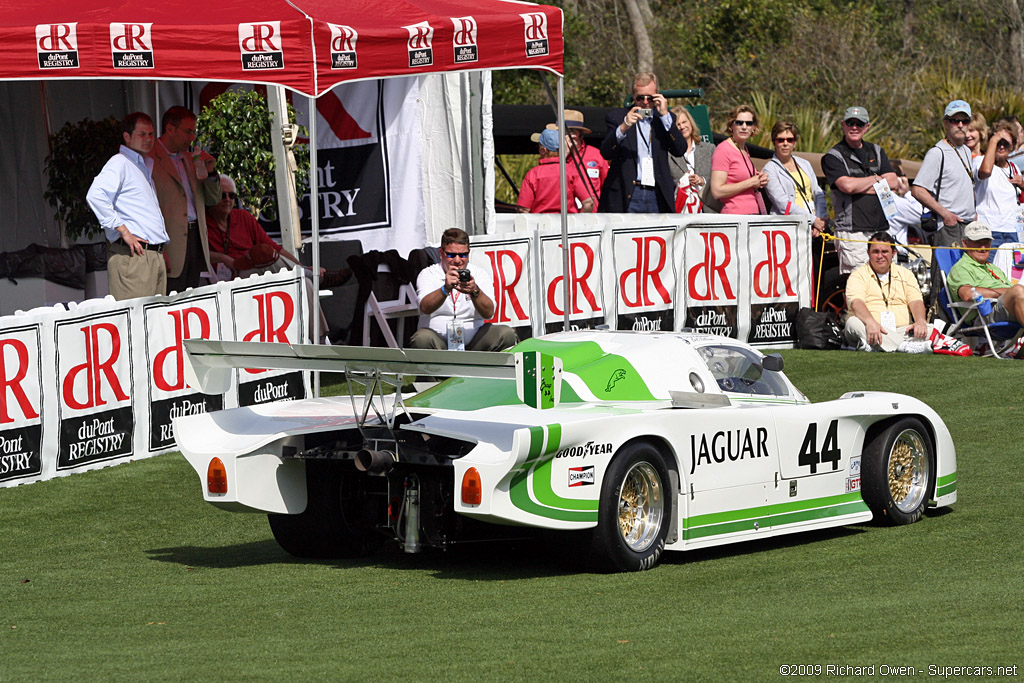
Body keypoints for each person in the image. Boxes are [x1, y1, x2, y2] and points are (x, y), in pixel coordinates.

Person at [85, 112, 169, 301]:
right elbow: (95, 195)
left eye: (151, 134)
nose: (148, 139)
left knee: (154, 323)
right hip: (133, 257)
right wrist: (124, 231)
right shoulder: (120, 162)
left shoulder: (141, 165)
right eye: (142, 134)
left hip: (151, 255)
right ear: (127, 136)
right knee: (138, 323)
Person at [844, 231, 970, 355]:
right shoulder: (857, 275)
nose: (880, 256)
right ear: (868, 253)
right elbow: (856, 303)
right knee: (853, 323)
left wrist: (920, 321)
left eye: (885, 252)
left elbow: (916, 301)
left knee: (929, 329)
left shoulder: (905, 274)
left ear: (893, 253)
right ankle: (904, 346)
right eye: (875, 252)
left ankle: (876, 346)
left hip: (900, 330)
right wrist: (871, 323)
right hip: (869, 328)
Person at [149, 106, 221, 293]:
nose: (192, 138)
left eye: (193, 132)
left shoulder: (191, 158)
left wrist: (211, 173)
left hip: (195, 236)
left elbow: (213, 200)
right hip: (169, 241)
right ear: (170, 129)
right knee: (171, 299)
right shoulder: (149, 159)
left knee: (191, 297)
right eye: (188, 131)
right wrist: (158, 248)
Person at [410, 228, 518, 351]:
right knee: (421, 338)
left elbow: (489, 313)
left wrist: (475, 292)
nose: (457, 260)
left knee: (506, 334)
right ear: (441, 253)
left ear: (468, 253)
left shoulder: (479, 274)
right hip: (439, 343)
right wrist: (445, 290)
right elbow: (424, 308)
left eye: (463, 255)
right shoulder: (428, 274)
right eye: (451, 255)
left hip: (474, 343)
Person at [822, 106, 899, 273]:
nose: (854, 127)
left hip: (881, 229)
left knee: (887, 281)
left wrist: (860, 186)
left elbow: (893, 182)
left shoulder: (877, 151)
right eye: (850, 123)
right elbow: (847, 186)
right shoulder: (833, 156)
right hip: (852, 233)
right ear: (843, 125)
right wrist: (876, 180)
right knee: (856, 286)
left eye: (859, 123)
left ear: (867, 126)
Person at [598, 72, 686, 213]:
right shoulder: (617, 117)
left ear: (657, 95)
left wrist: (665, 117)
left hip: (657, 192)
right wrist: (624, 127)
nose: (645, 102)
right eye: (640, 98)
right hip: (628, 192)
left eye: (650, 98)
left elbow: (680, 149)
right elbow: (606, 152)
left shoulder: (664, 119)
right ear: (633, 96)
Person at [205, 176, 320, 278]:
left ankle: (306, 274)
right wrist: (223, 258)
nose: (227, 200)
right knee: (263, 257)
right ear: (212, 196)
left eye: (231, 196)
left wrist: (300, 266)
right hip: (224, 278)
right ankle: (309, 276)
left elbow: (275, 248)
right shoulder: (201, 222)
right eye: (222, 195)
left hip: (251, 271)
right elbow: (195, 255)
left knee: (267, 254)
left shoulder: (243, 217)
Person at [947, 222, 1024, 357]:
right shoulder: (961, 268)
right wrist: (1003, 292)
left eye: (986, 243)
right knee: (1017, 290)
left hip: (1007, 307)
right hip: (985, 313)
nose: (983, 248)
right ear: (965, 243)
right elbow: (966, 294)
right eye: (978, 243)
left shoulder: (992, 268)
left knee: (1017, 291)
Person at [911, 100, 977, 248]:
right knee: (945, 271)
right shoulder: (937, 153)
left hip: (969, 225)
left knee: (966, 271)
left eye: (965, 121)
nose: (960, 125)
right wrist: (946, 214)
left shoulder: (966, 150)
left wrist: (973, 212)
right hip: (949, 227)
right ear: (946, 123)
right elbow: (918, 190)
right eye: (955, 121)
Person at [763, 121, 827, 235]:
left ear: (795, 143)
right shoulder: (769, 169)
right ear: (774, 142)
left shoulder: (805, 163)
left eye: (790, 140)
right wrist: (812, 220)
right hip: (789, 228)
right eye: (780, 140)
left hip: (814, 226)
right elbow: (782, 204)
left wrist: (820, 220)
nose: (785, 143)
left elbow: (818, 192)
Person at [973, 120, 1024, 251]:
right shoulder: (980, 161)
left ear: (1012, 146)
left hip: (1012, 231)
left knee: (1012, 271)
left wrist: (1022, 184)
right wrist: (994, 140)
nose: (1001, 147)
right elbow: (985, 172)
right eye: (998, 143)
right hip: (989, 230)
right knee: (990, 270)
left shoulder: (1014, 168)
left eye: (1005, 144)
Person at [709, 105, 769, 215]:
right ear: (731, 126)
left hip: (753, 215)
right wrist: (751, 182)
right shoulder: (723, 150)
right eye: (739, 122)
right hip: (735, 217)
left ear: (753, 128)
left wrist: (760, 179)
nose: (744, 127)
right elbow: (717, 191)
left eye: (749, 123)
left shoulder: (744, 149)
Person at [517, 129, 595, 214]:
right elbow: (589, 202)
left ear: (544, 150)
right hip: (568, 224)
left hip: (541, 224)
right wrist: (578, 222)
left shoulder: (533, 174)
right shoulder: (572, 171)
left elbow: (523, 209)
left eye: (539, 147)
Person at [667, 105, 715, 214]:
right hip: (681, 213)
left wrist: (702, 180)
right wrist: (683, 183)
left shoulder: (709, 149)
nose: (682, 126)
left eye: (684, 122)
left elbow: (720, 179)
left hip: (708, 211)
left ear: (691, 123)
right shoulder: (668, 155)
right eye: (677, 124)